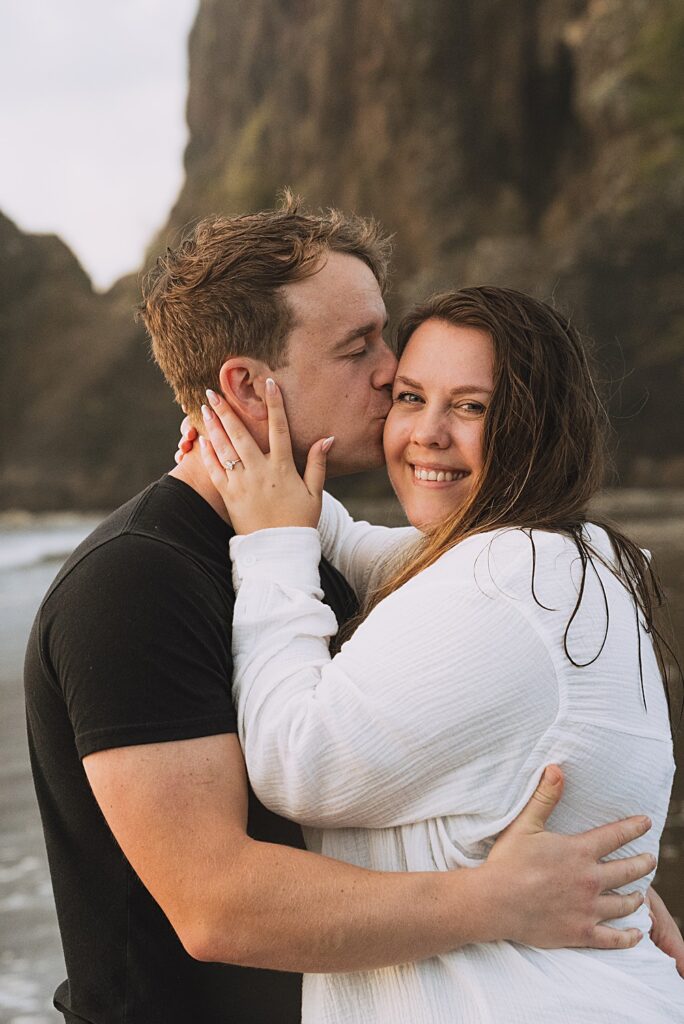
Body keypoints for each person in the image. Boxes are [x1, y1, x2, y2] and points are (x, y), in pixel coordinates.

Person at [23, 198, 673, 1024]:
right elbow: (218, 905)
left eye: (385, 335)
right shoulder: (131, 589)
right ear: (246, 387)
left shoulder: (309, 552)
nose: (390, 370)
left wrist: (620, 863)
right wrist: (497, 901)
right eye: (358, 345)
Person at [197, 284, 684, 1022]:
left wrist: (273, 547)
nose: (426, 431)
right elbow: (374, 556)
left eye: (470, 406)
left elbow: (294, 760)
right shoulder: (564, 558)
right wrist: (255, 448)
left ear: (538, 427)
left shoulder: (505, 583)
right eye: (410, 397)